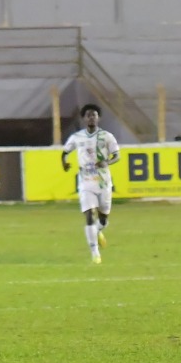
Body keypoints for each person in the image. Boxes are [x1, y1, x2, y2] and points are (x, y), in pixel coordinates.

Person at [61, 104, 121, 265]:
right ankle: (95, 252)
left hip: (103, 182)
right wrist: (64, 163)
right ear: (84, 118)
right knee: (89, 215)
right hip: (86, 182)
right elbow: (65, 152)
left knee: (103, 219)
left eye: (94, 115)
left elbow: (117, 155)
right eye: (88, 115)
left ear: (98, 117)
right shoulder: (77, 137)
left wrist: (107, 162)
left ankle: (98, 230)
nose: (91, 118)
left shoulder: (107, 136)